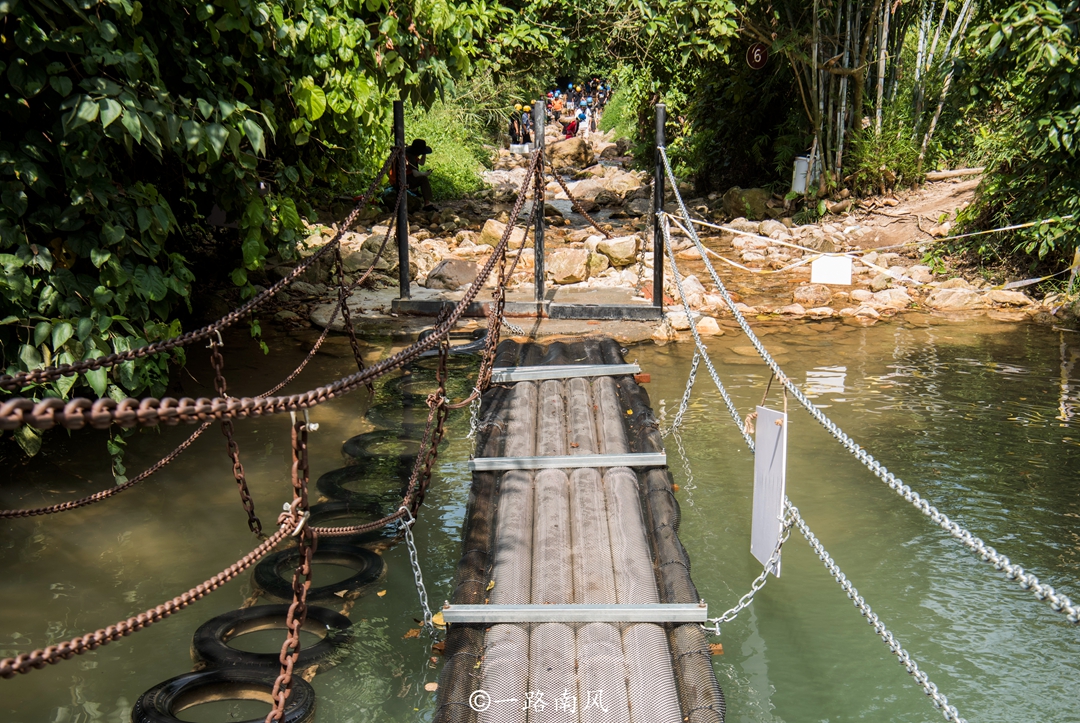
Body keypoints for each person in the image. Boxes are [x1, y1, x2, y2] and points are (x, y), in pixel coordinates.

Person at [401, 138, 436, 212]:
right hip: (403, 179)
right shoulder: (410, 156)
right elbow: (416, 174)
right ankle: (427, 203)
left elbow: (421, 163)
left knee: (418, 176)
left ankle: (414, 191)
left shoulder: (411, 154)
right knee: (423, 179)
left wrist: (424, 153)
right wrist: (425, 174)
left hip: (404, 177)